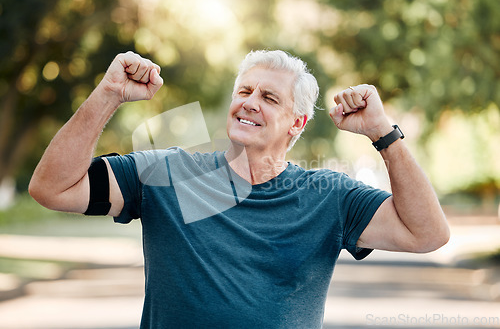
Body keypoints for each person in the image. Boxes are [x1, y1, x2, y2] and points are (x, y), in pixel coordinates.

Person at [29, 50, 450, 328]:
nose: (250, 102)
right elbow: (52, 188)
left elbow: (428, 234)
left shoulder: (329, 196)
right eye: (244, 91)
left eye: (269, 97)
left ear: (297, 123)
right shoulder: (166, 172)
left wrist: (383, 134)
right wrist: (108, 95)